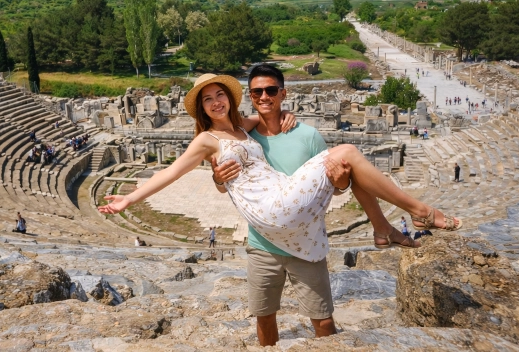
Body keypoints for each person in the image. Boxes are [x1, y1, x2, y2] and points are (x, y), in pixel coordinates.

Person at [100, 67, 461, 346]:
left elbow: (269, 121)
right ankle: (419, 213)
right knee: (349, 151)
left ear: (232, 98)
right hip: (271, 211)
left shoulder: (244, 127)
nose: (216, 102)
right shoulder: (206, 140)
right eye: (207, 99)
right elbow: (172, 172)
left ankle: (383, 228)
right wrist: (130, 198)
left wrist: (284, 115)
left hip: (284, 205)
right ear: (201, 108)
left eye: (220, 94)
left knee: (346, 161)